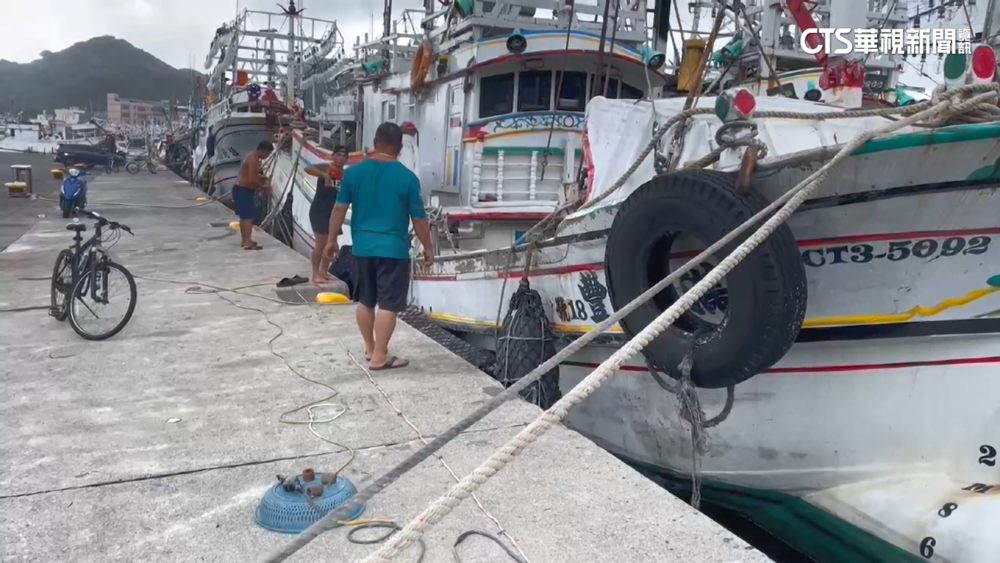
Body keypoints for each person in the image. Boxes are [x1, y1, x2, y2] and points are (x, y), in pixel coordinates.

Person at [325, 122, 433, 371]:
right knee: (388, 304)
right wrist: (427, 247)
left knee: (365, 300)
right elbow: (419, 219)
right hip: (393, 252)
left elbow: (339, 208)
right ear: (399, 148)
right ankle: (380, 357)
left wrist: (332, 239)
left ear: (375, 143)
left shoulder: (353, 173)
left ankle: (370, 347)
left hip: (361, 249)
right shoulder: (407, 178)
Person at [305, 146, 348, 284]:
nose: (341, 158)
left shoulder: (345, 174)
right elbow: (308, 168)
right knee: (321, 243)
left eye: (343, 156)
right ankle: (315, 273)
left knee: (332, 242)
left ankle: (324, 270)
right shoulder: (326, 167)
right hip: (319, 210)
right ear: (333, 156)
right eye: (338, 155)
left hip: (333, 212)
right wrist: (325, 176)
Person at [233, 140, 274, 250]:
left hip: (238, 189)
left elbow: (247, 173)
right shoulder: (254, 160)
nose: (267, 157)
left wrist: (261, 178)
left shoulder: (248, 155)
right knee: (248, 217)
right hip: (244, 190)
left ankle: (244, 240)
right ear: (264, 151)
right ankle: (248, 242)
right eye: (268, 154)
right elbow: (252, 180)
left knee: (243, 216)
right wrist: (264, 186)